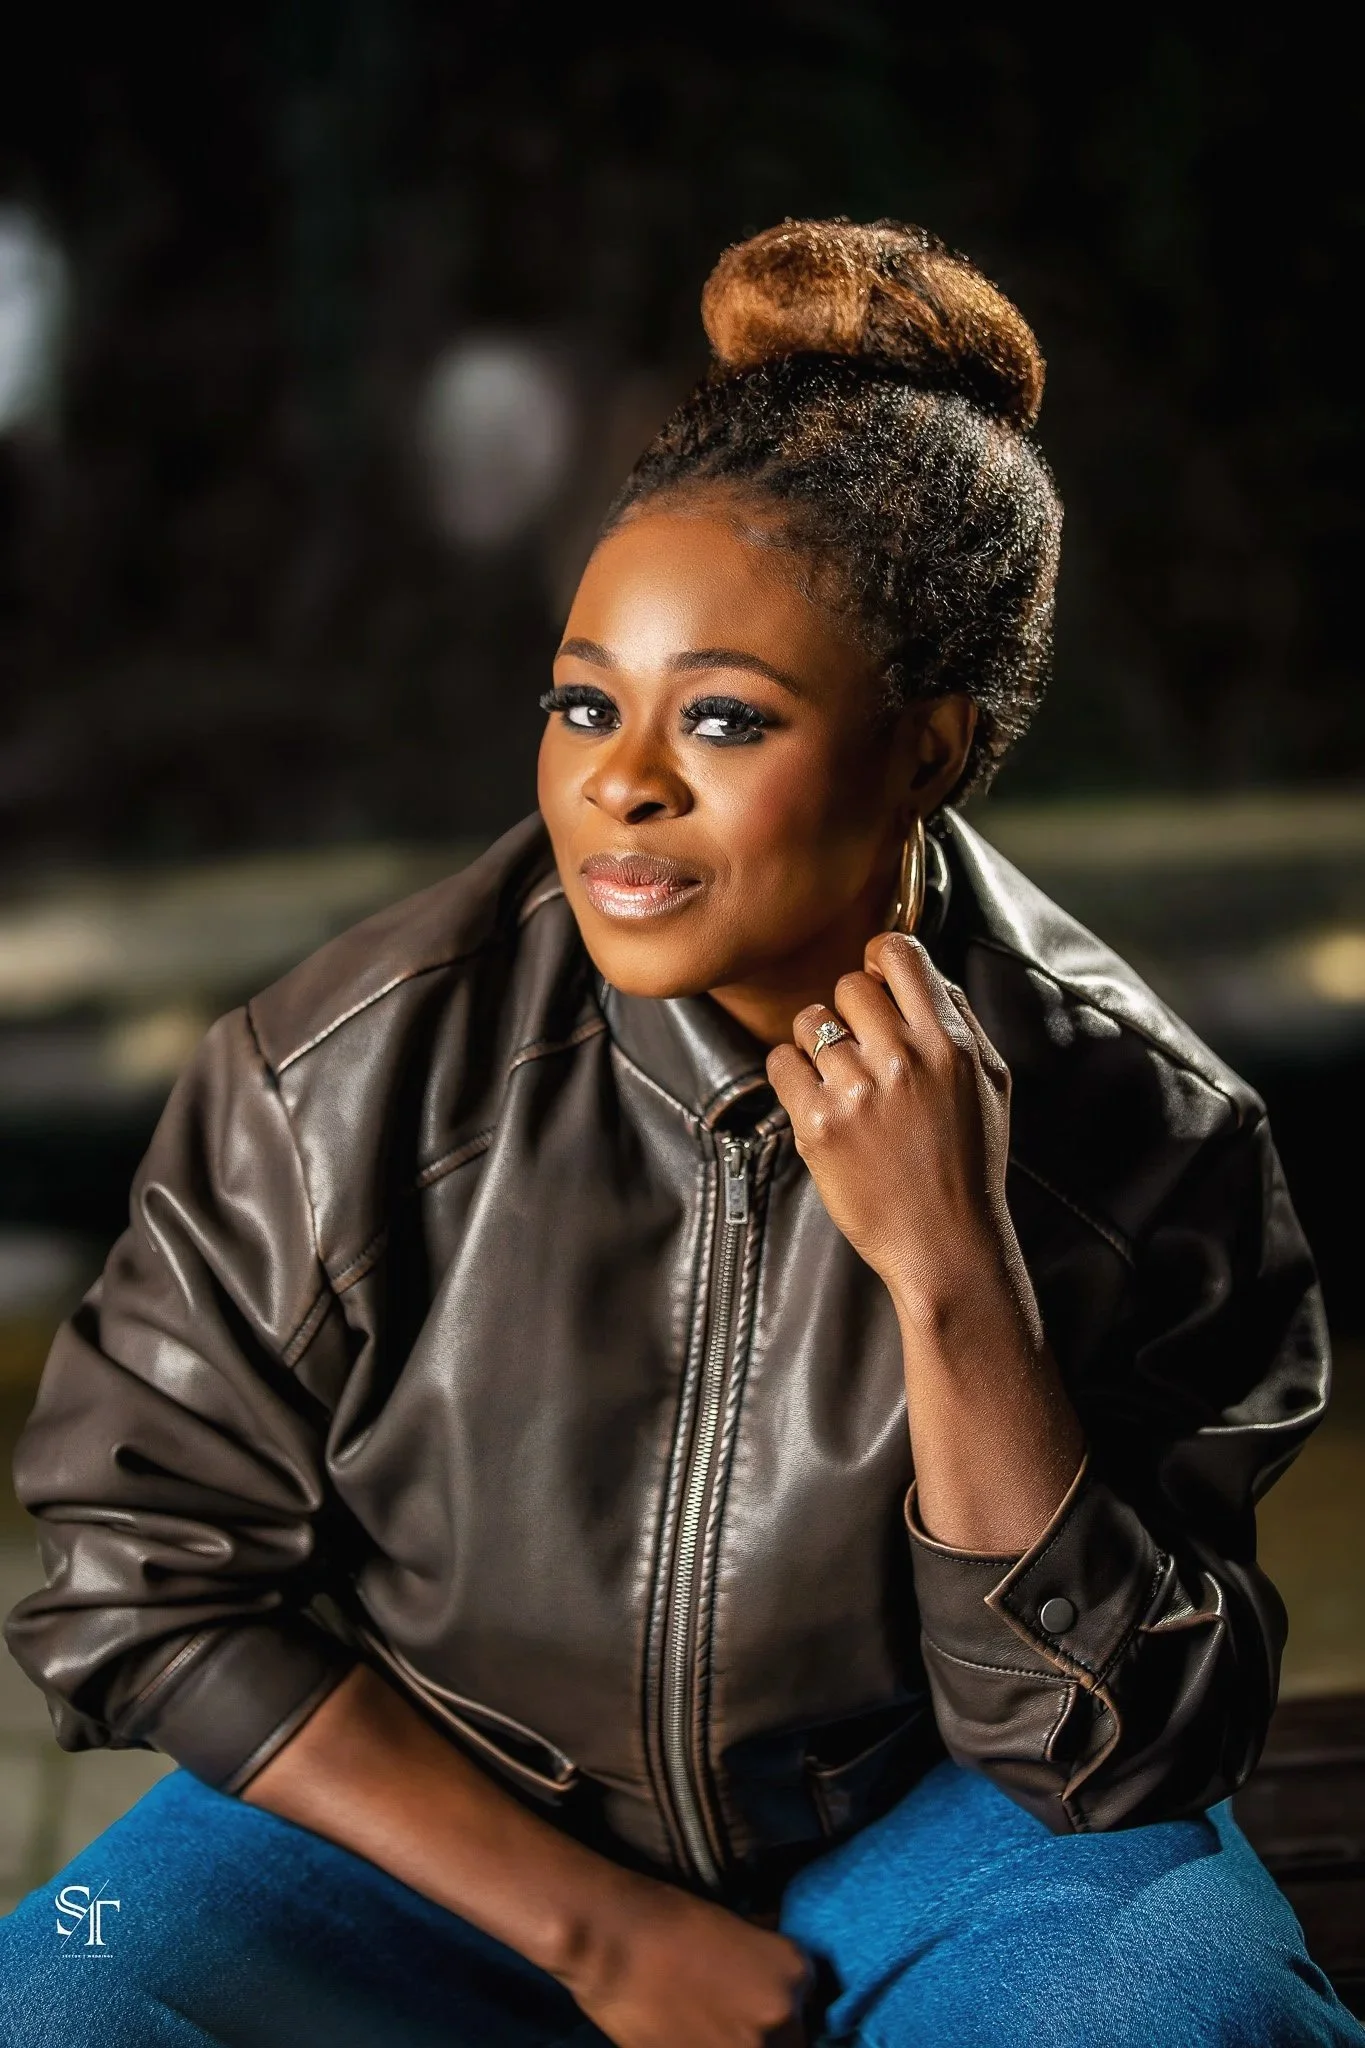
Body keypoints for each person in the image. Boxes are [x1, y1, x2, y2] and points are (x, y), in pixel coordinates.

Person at [2, 219, 1360, 2048]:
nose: (619, 781)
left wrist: (950, 1266)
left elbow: (1108, 1741)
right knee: (55, 1996)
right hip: (436, 1829)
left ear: (929, 750)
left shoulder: (1151, 1133)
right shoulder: (337, 1079)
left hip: (937, 1826)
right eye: (584, 702)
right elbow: (131, 1574)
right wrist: (593, 1934)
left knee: (1183, 2021)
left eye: (724, 716)